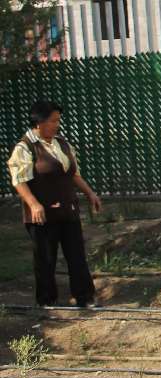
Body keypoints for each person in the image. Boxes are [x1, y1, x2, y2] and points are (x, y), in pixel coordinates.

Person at [7, 100, 101, 307]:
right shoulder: (25, 147)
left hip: (68, 210)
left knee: (76, 255)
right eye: (53, 121)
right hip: (43, 215)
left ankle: (84, 297)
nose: (57, 124)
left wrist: (90, 193)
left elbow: (73, 174)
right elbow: (19, 180)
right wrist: (33, 204)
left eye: (58, 120)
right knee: (46, 259)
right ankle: (47, 302)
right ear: (39, 122)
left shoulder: (62, 143)